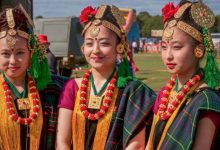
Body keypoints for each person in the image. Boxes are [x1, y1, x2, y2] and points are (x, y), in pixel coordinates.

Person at [56, 5, 156, 150]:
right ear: (83, 48)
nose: (95, 50)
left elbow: (136, 145)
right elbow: (62, 141)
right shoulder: (73, 87)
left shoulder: (132, 91)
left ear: (119, 47)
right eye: (90, 43)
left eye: (104, 43)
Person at [146, 1, 220, 149]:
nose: (168, 56)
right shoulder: (165, 93)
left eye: (177, 47)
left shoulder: (207, 101)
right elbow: (150, 144)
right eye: (164, 47)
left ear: (198, 50)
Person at [0, 5, 67, 150]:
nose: (12, 61)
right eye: (5, 54)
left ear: (31, 54)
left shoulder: (53, 88)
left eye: (20, 53)